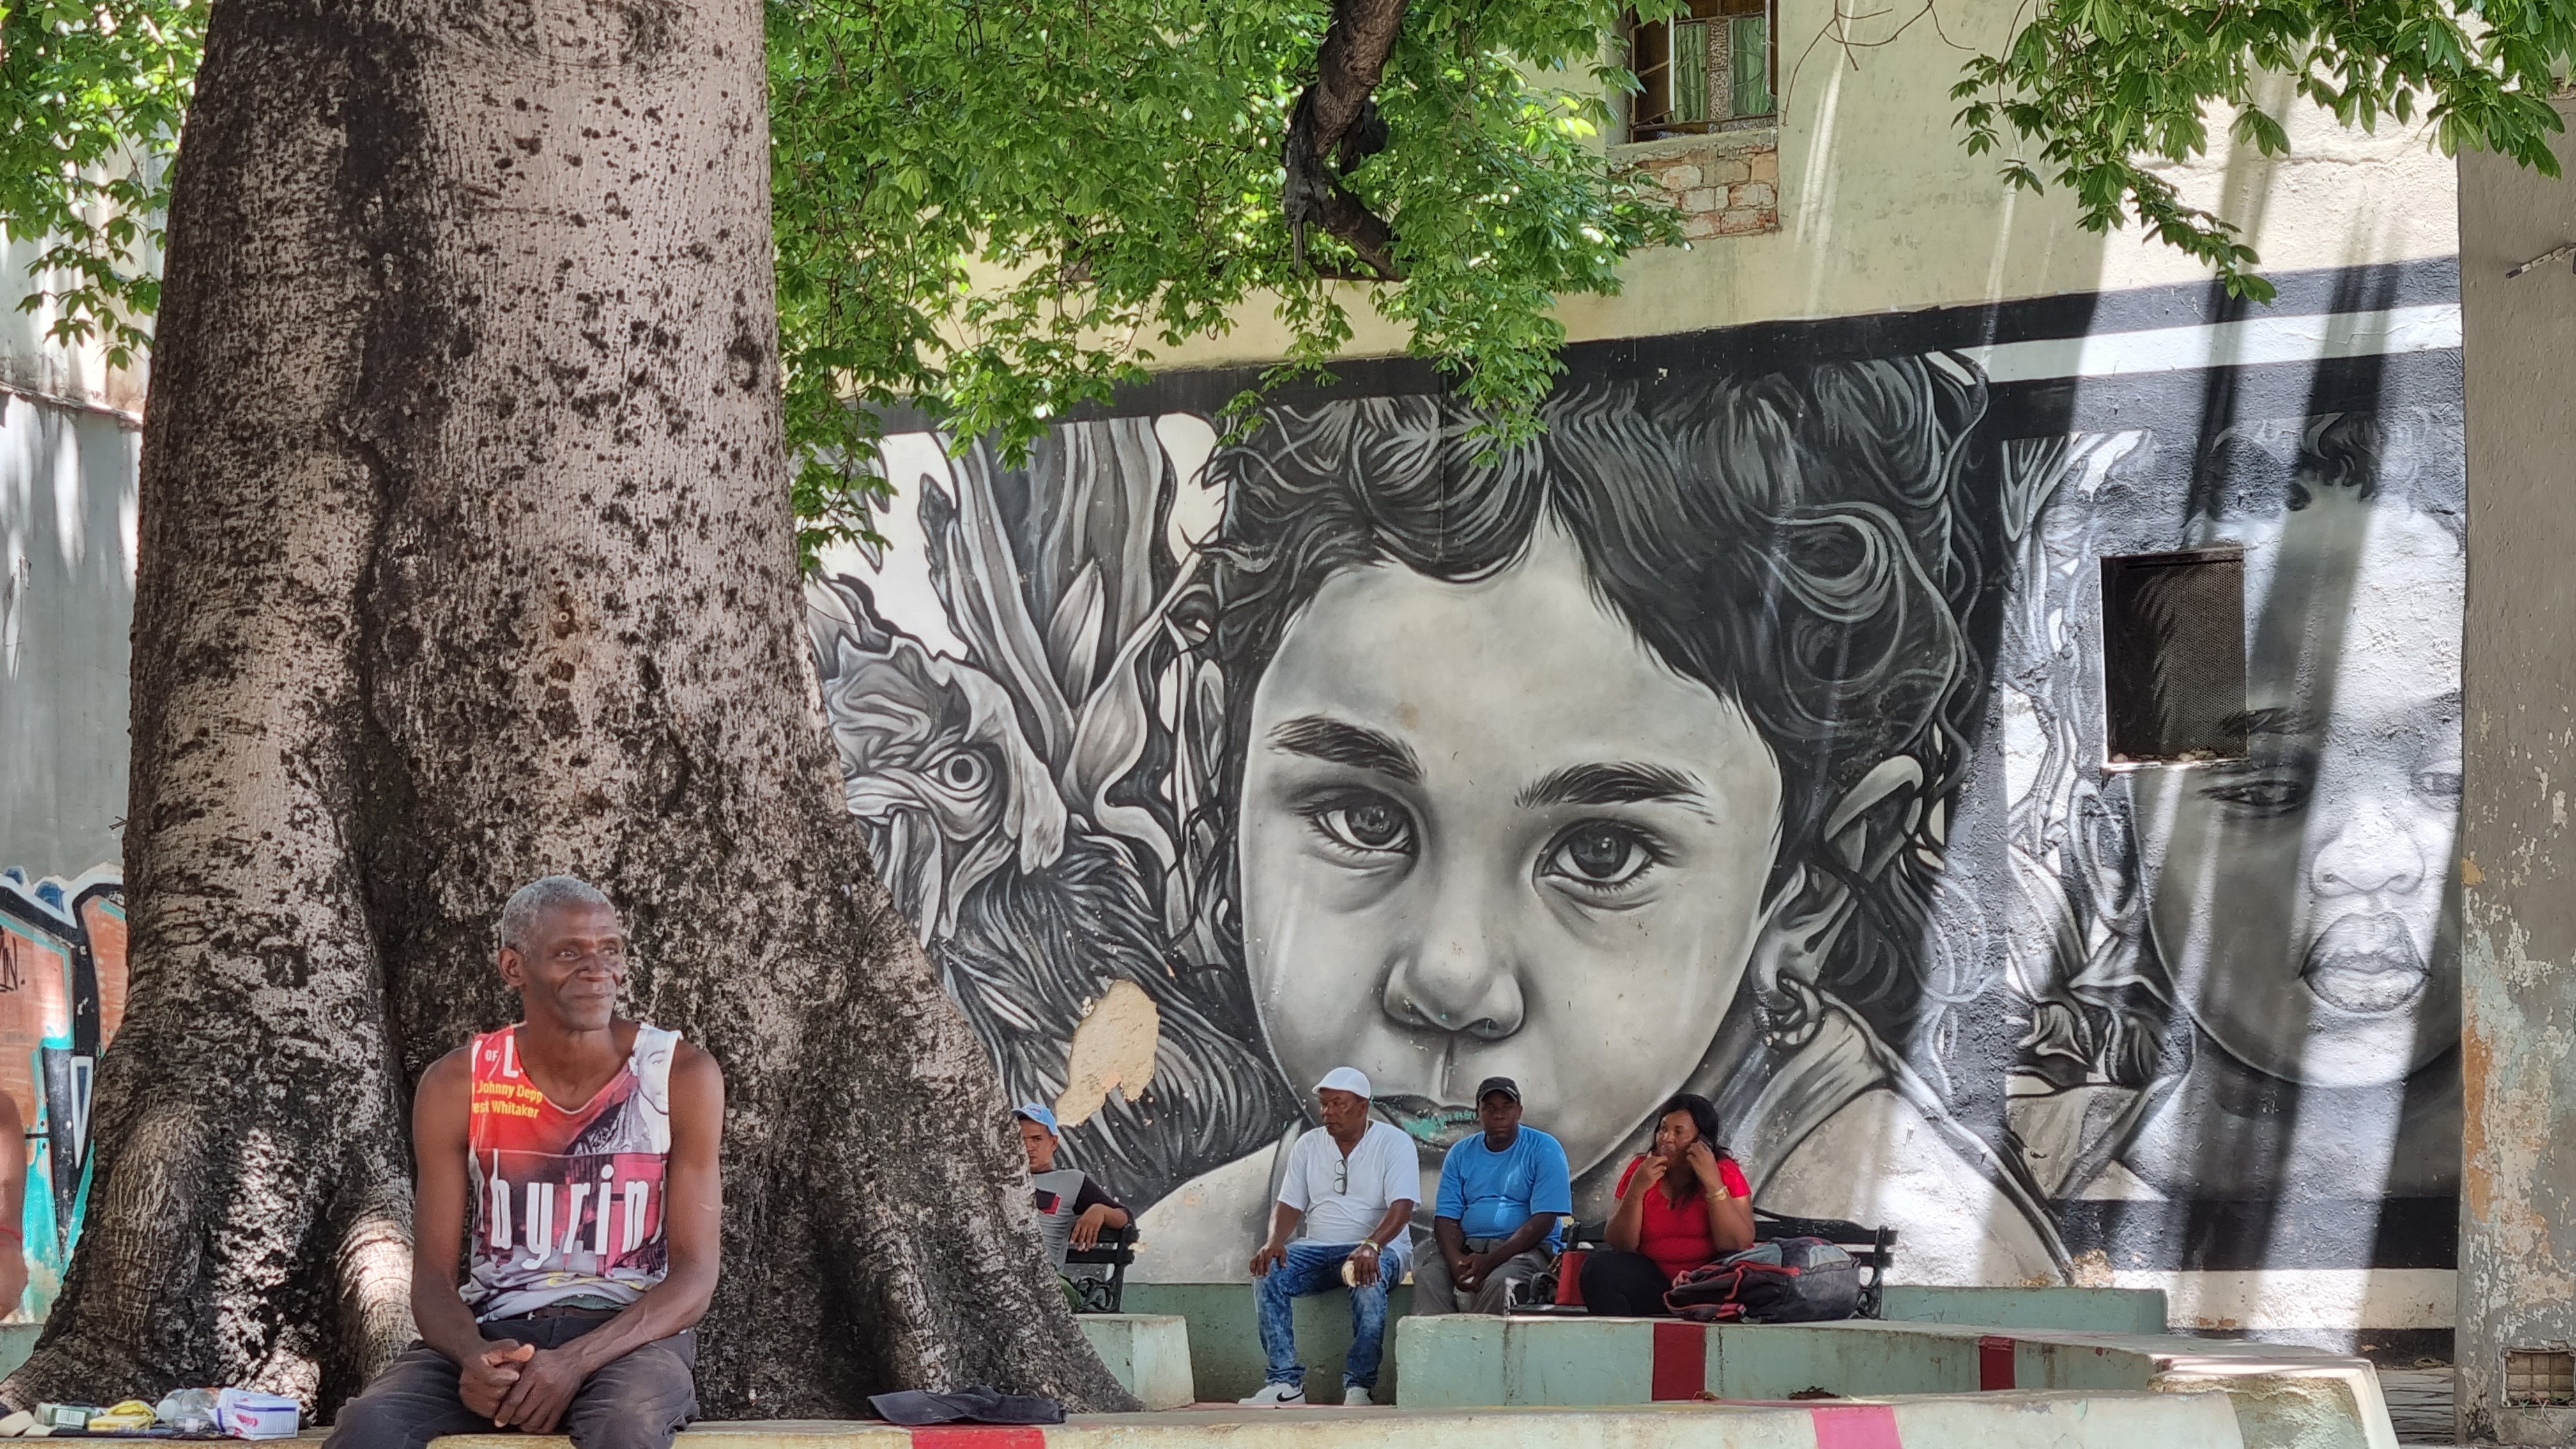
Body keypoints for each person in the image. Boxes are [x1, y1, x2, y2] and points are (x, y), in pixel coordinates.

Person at [1139, 365, 2064, 1284]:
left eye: (1599, 851)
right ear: (1226, 774)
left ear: (1811, 884)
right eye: (1363, 817)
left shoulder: (1910, 1274)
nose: (1451, 981)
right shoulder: (1192, 1255)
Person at [1997, 411, 2464, 1207]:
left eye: (2449, 781)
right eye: (2266, 792)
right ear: (2114, 839)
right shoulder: (2017, 1190)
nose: (2370, 859)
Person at [328, 877, 724, 1449]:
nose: (598, 969)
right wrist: (473, 1358)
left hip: (629, 1340)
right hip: (495, 1331)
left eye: (609, 949)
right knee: (369, 1426)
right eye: (569, 953)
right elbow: (433, 1283)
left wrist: (574, 1361)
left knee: (624, 1425)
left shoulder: (678, 1075)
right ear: (514, 967)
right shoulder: (459, 1081)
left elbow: (695, 1278)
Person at [1239, 1068, 1416, 1408]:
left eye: (1338, 1104)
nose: (1327, 1112)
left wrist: (1372, 1245)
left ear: (1363, 1107)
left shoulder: (1394, 1143)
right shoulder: (1308, 1145)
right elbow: (1288, 1205)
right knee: (1269, 1272)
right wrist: (1274, 1240)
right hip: (1317, 1249)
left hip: (1380, 1249)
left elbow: (1403, 1207)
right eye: (1324, 1104)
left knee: (1369, 1278)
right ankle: (1285, 1384)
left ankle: (1359, 1388)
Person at [1580, 1094, 1753, 1317]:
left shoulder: (1725, 1171)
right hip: (1656, 1285)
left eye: (1679, 1132)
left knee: (1733, 1270)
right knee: (1598, 1268)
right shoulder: (1640, 1170)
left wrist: (1712, 1183)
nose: (1667, 1139)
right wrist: (1636, 1190)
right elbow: (1622, 1244)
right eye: (1663, 1129)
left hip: (1707, 1285)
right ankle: (1618, 1345)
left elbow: (1737, 1243)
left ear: (1702, 1142)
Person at [1411, 1077, 1570, 1315]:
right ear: (1478, 1113)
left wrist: (1489, 1263)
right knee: (1429, 1277)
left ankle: (1482, 1351)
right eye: (1490, 1108)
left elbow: (1543, 1222)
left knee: (1501, 1284)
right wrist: (1456, 1265)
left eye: (1507, 1107)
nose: (1499, 1115)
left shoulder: (1544, 1148)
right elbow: (1445, 1219)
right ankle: (1438, 1350)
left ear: (1520, 1111)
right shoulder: (1460, 1153)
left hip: (1524, 1251)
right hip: (1469, 1248)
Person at [1016, 1102, 1131, 1269]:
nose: (1028, 1147)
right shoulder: (996, 1180)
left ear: (1054, 1142)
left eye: (1037, 1139)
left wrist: (1100, 1210)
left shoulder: (1072, 1182)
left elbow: (1126, 1219)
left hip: (1042, 1279)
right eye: (1020, 1139)